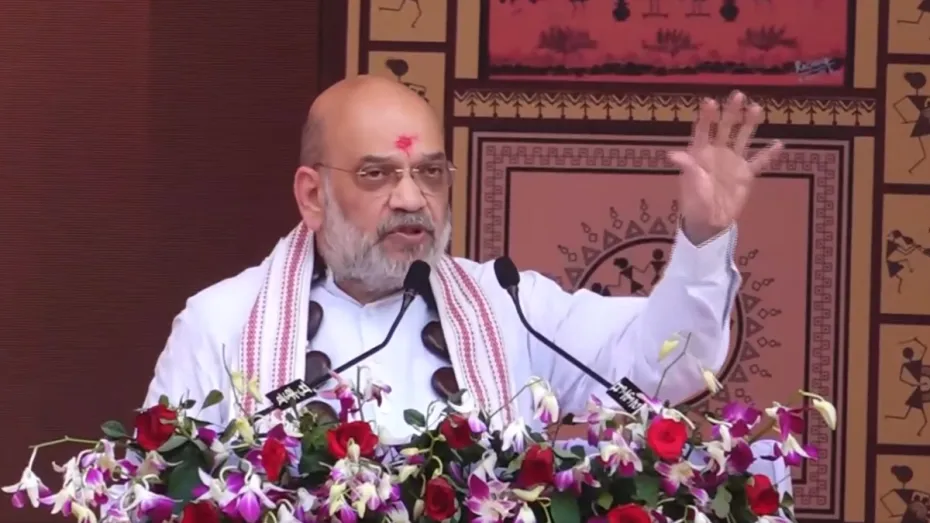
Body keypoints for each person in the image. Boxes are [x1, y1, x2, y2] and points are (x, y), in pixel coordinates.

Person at [142, 75, 782, 441]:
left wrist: (704, 237)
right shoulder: (221, 325)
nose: (411, 199)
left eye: (429, 173)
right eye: (377, 174)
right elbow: (156, 491)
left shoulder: (510, 309)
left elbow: (669, 368)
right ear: (312, 194)